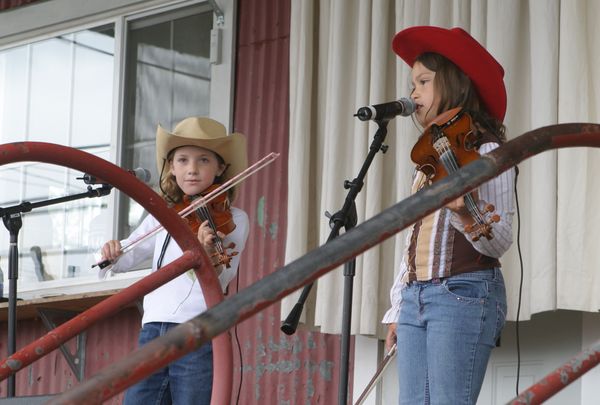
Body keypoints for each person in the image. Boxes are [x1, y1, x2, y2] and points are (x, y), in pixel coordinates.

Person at [382, 26, 516, 404]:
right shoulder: (425, 163)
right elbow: (412, 240)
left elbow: (500, 240)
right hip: (415, 298)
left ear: (456, 83)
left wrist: (466, 214)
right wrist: (398, 305)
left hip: (463, 292)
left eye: (423, 81)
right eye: (412, 84)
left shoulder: (488, 150)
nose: (412, 93)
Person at [99, 117, 249, 405]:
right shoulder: (163, 215)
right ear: (172, 167)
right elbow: (126, 255)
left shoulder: (233, 218)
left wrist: (207, 253)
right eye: (183, 160)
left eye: (203, 160)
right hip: (153, 327)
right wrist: (110, 253)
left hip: (199, 329)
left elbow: (220, 278)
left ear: (220, 168)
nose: (192, 169)